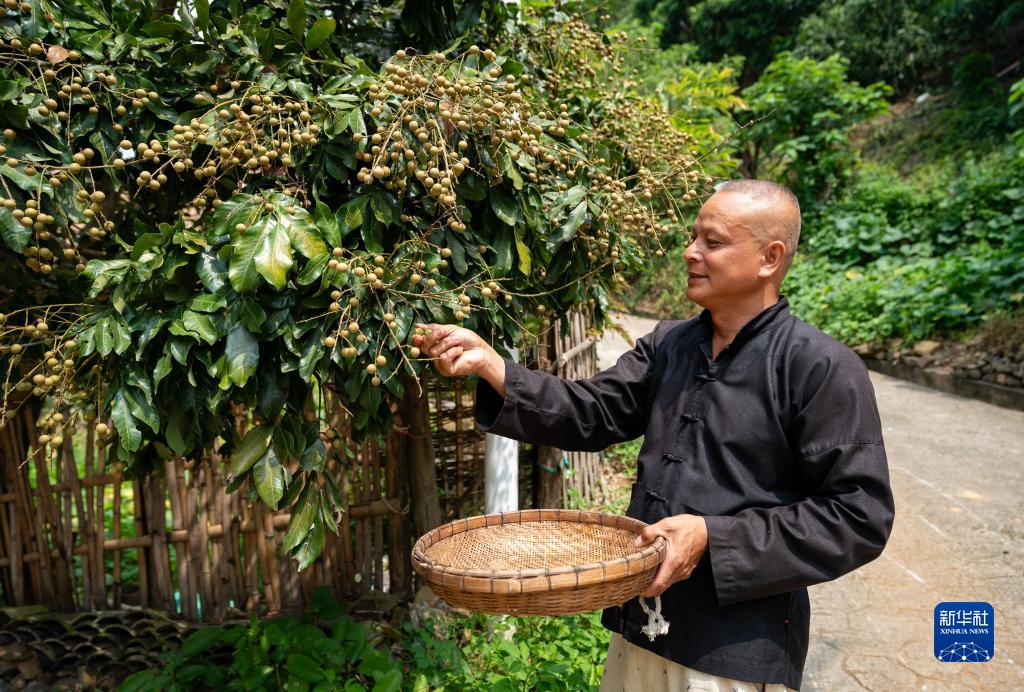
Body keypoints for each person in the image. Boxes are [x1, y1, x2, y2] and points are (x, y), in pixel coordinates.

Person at [411, 180, 895, 691]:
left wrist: (712, 537)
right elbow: (592, 412)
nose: (691, 252)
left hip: (733, 650)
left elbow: (858, 516)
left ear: (769, 259)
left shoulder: (821, 368)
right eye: (693, 237)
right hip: (640, 622)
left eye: (713, 241)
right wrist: (492, 367)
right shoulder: (671, 345)